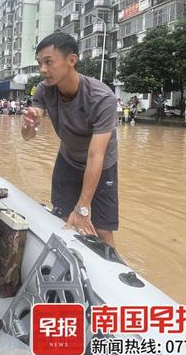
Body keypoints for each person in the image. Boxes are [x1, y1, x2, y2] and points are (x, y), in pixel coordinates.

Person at [21, 33, 119, 247]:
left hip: (101, 165)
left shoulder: (102, 98)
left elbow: (96, 155)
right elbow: (28, 137)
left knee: (101, 229)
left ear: (71, 60)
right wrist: (29, 123)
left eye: (49, 62)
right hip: (68, 159)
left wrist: (83, 207)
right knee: (63, 217)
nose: (42, 70)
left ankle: (114, 268)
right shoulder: (44, 91)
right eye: (40, 63)